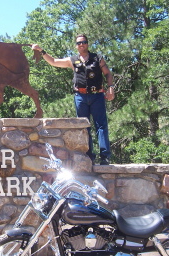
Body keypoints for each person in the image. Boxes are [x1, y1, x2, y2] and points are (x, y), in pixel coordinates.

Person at [32, 34, 115, 165]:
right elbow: (53, 61)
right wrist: (41, 51)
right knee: (83, 127)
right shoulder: (72, 60)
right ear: (76, 46)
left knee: (101, 126)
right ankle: (89, 157)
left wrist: (110, 87)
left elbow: (108, 73)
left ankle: (105, 156)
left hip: (97, 95)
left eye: (84, 42)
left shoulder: (97, 58)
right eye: (79, 43)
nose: (81, 44)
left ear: (87, 43)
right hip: (80, 97)